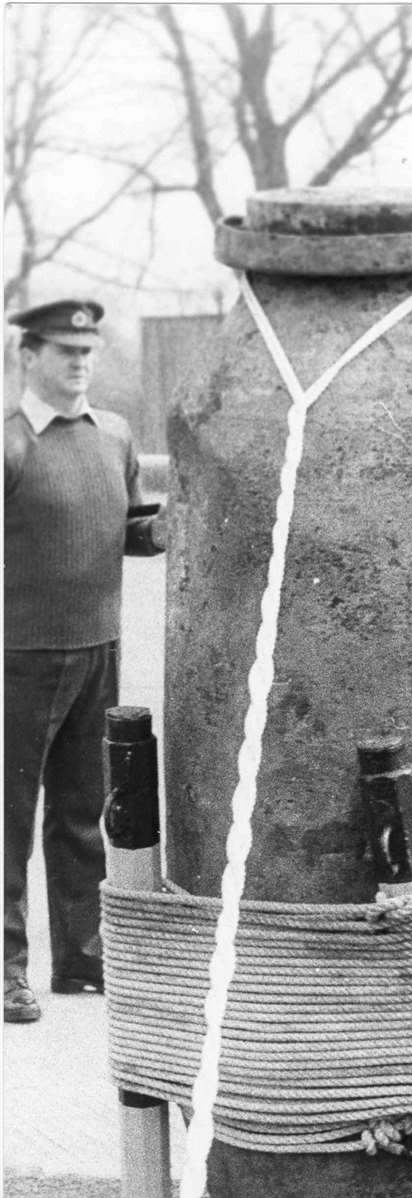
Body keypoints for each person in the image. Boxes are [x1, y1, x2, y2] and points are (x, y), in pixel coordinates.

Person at [4, 299, 167, 1024]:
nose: (80, 362)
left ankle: (79, 956)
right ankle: (8, 970)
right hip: (19, 655)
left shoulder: (116, 436)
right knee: (9, 817)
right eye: (65, 350)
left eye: (88, 350)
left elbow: (130, 527)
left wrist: (173, 525)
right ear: (27, 357)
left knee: (79, 812)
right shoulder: (10, 444)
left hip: (99, 644)